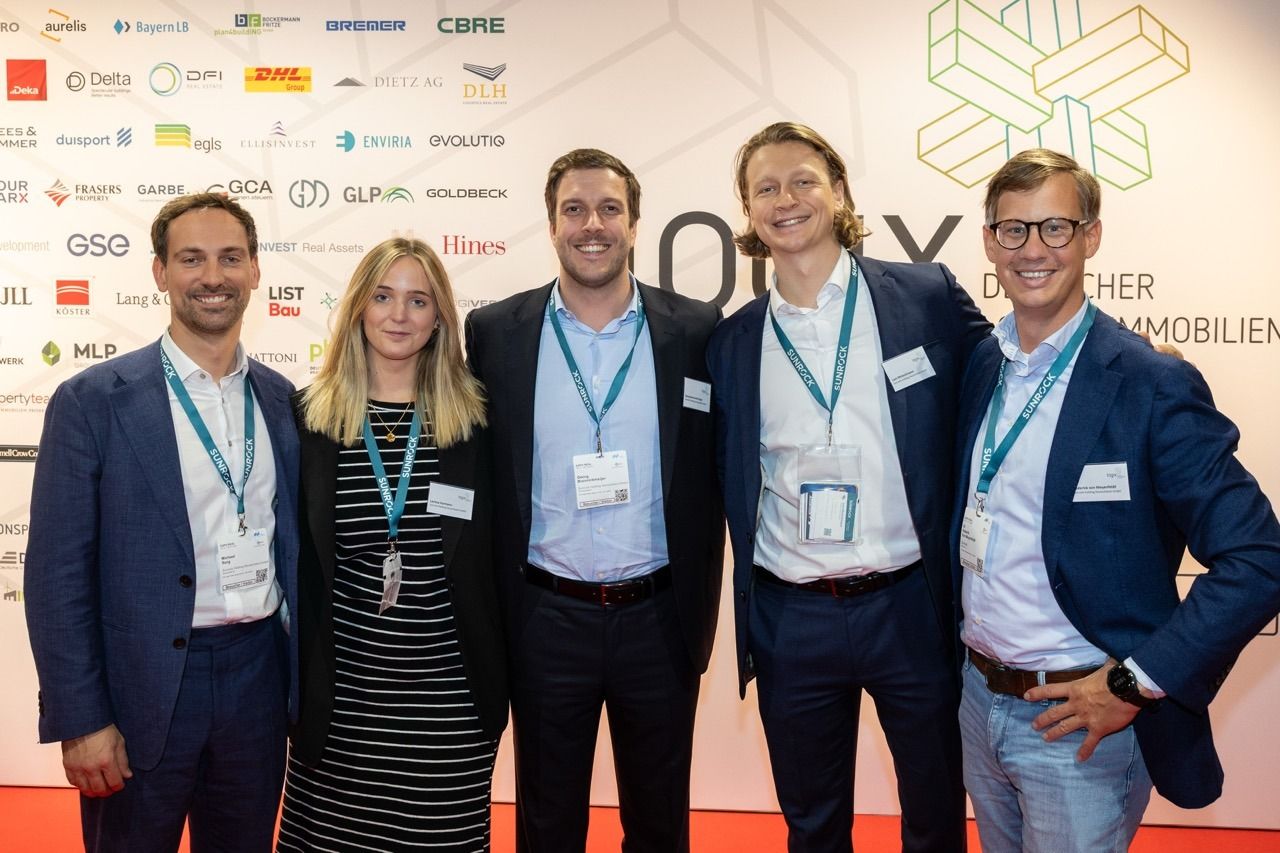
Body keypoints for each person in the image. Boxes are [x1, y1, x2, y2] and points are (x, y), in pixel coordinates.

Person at [951, 148, 1280, 851]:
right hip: (978, 701)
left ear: (1091, 236)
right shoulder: (984, 364)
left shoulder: (1150, 382)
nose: (1032, 249)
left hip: (1080, 723)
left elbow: (1259, 558)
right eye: (1013, 229)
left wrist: (1134, 684)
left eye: (1055, 227)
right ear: (989, 242)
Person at [706, 122, 989, 852]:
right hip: (792, 615)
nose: (786, 199)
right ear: (749, 211)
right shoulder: (732, 341)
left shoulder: (923, 296)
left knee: (936, 815)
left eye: (803, 180)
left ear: (838, 192)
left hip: (910, 605)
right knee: (813, 825)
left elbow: (1009, 369)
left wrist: (1121, 358)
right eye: (766, 188)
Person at [464, 148, 723, 853]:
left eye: (610, 209)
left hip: (660, 618)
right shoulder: (496, 334)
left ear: (634, 223)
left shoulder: (696, 330)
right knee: (547, 823)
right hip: (545, 617)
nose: (592, 225)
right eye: (573, 209)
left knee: (660, 823)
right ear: (551, 224)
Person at [24, 193, 299, 852]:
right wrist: (81, 718)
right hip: (139, 692)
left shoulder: (282, 400)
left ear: (255, 270)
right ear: (159, 272)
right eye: (191, 259)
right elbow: (56, 576)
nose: (213, 276)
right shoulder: (92, 401)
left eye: (230, 257)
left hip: (257, 682)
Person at [277, 237, 507, 852]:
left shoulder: (478, 424)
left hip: (448, 708)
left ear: (440, 319)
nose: (399, 315)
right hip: (339, 705)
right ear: (358, 306)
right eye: (382, 296)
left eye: (418, 300)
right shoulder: (308, 420)